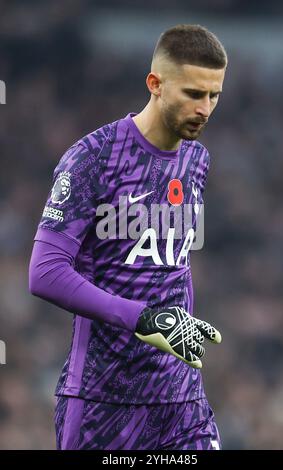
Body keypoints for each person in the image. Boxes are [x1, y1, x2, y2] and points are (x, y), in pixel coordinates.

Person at [29, 24, 227, 450]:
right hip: (104, 402)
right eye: (193, 94)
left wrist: (182, 325)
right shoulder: (93, 158)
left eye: (214, 96)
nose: (205, 108)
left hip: (181, 403)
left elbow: (175, 261)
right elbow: (44, 273)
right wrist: (143, 317)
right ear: (155, 84)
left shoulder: (196, 160)